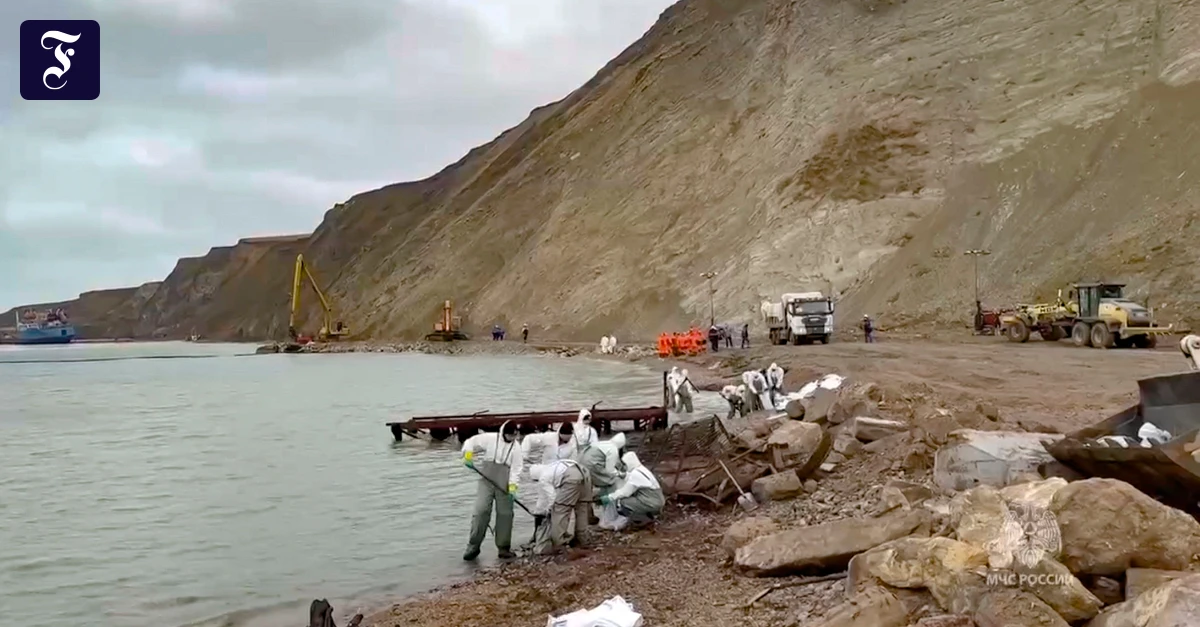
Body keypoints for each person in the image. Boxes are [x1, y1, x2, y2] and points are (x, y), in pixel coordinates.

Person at [460, 421, 523, 561]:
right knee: (481, 511)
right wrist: (468, 455)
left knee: (505, 514)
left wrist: (513, 487)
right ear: (503, 432)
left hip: (504, 484)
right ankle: (473, 546)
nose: (512, 438)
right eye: (509, 435)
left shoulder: (516, 448)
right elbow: (471, 442)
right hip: (486, 481)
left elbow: (516, 469)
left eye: (514, 436)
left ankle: (504, 548)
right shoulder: (490, 438)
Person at [528, 459, 591, 555]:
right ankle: (583, 539)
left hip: (571, 477)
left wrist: (548, 510)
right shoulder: (552, 467)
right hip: (584, 472)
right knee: (581, 508)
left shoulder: (543, 478)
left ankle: (560, 544)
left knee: (560, 510)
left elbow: (552, 497)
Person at [599, 452, 665, 528]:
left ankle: (644, 520)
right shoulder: (641, 469)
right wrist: (622, 475)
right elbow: (633, 478)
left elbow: (625, 492)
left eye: (625, 464)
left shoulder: (635, 474)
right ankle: (649, 517)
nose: (624, 466)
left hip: (652, 501)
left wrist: (609, 497)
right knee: (633, 500)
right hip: (657, 499)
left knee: (624, 503)